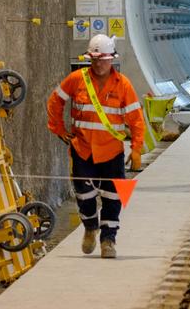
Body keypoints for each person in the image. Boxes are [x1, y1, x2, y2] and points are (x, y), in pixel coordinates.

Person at [46, 34, 146, 259]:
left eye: (104, 59)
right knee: (84, 195)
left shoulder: (124, 85)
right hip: (83, 150)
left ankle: (108, 240)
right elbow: (55, 100)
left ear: (112, 59)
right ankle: (90, 226)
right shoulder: (76, 79)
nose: (99, 64)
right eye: (95, 59)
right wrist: (58, 128)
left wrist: (137, 148)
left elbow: (136, 119)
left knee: (112, 197)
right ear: (90, 58)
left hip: (111, 152)